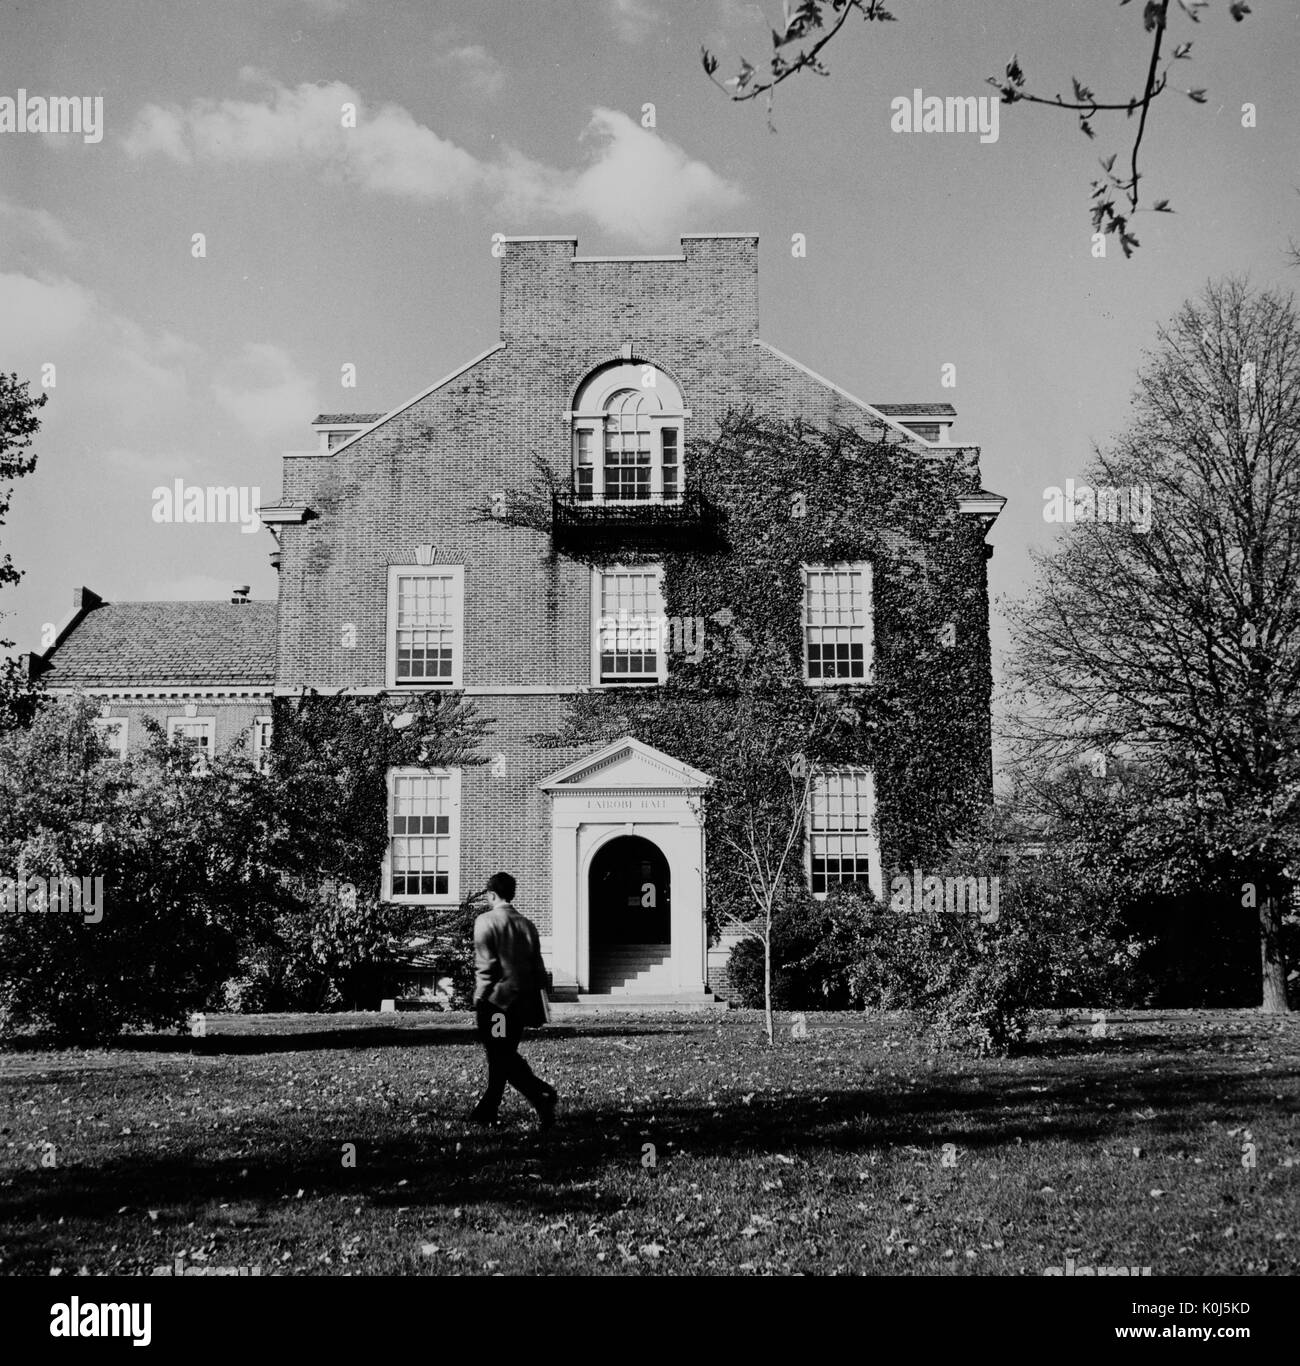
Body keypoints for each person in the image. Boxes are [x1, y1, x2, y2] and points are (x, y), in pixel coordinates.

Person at [469, 872, 558, 1129]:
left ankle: (541, 1093)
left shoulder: (485, 921)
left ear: (492, 894)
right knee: (503, 1055)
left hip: (496, 1002)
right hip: (521, 1002)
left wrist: (479, 996)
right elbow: (539, 969)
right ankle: (487, 1109)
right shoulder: (527, 924)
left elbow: (486, 965)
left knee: (501, 1057)